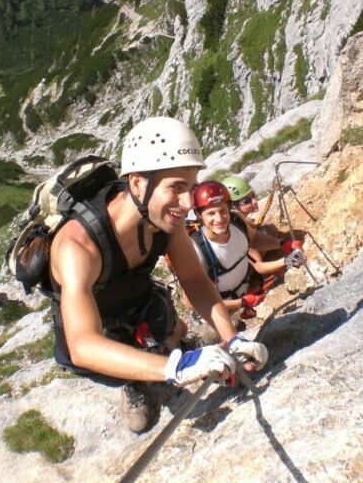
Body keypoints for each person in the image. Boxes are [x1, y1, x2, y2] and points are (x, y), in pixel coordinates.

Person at [49, 117, 268, 433]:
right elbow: (84, 345)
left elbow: (193, 279)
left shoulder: (163, 219)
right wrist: (175, 368)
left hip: (138, 300)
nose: (187, 204)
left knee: (172, 328)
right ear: (137, 183)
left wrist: (230, 337)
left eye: (191, 188)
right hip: (96, 327)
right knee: (124, 385)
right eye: (176, 188)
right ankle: (134, 379)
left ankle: (177, 344)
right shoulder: (77, 245)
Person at [190, 181, 305, 316]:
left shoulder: (236, 222)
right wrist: (241, 303)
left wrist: (282, 244)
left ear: (229, 208)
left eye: (223, 211)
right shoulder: (196, 251)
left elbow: (255, 239)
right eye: (211, 213)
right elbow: (193, 302)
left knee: (269, 231)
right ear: (199, 215)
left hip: (248, 287)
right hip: (223, 309)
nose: (219, 218)